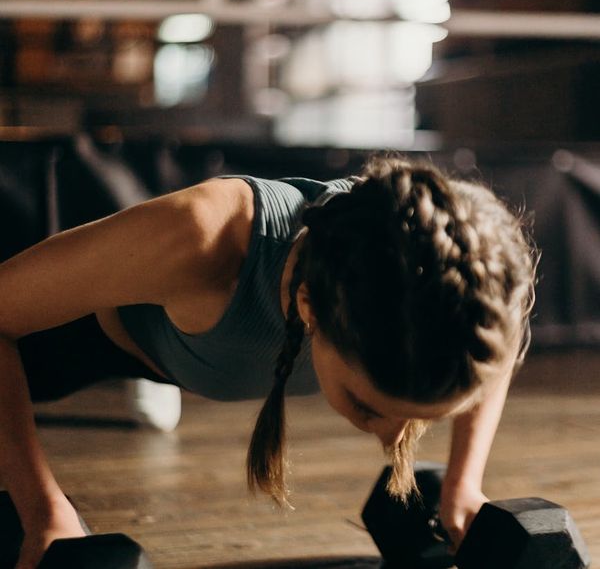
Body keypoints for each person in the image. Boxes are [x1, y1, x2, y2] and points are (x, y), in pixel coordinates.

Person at [0, 156, 536, 568]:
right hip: (57, 331)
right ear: (308, 309)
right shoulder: (205, 239)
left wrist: (463, 484)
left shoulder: (470, 269)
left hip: (179, 343)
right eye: (370, 408)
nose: (393, 437)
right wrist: (44, 512)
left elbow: (499, 340)